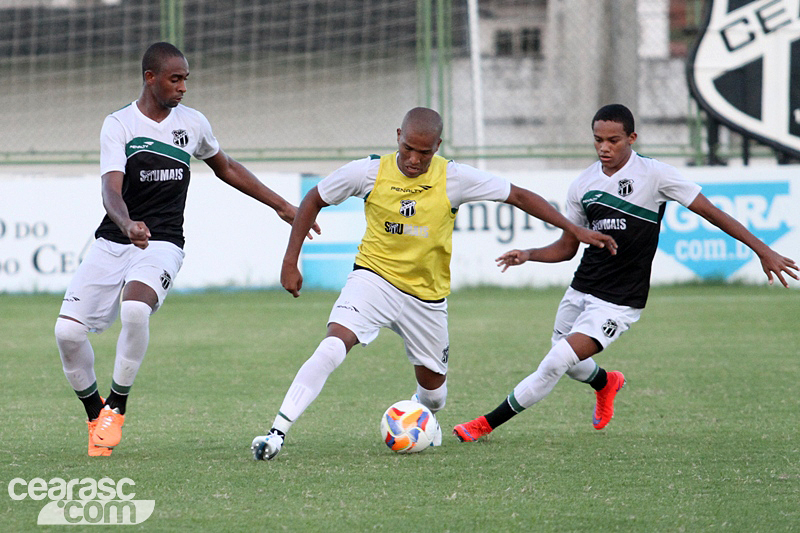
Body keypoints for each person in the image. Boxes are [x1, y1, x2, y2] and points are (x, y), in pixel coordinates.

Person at [251, 107, 618, 460]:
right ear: (398, 137)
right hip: (374, 279)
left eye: (424, 153)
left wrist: (573, 228)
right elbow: (314, 198)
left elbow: (518, 195)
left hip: (427, 300)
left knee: (435, 397)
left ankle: (419, 418)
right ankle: (276, 433)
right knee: (333, 346)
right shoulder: (368, 172)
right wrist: (289, 261)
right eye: (408, 148)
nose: (414, 159)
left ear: (438, 147)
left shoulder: (453, 177)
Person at [452, 104, 799, 442]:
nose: (604, 147)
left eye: (613, 140)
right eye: (598, 140)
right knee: (568, 362)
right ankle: (606, 382)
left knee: (556, 360)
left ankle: (485, 424)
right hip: (582, 286)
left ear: (632, 137)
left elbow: (711, 212)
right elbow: (567, 247)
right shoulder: (582, 185)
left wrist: (762, 250)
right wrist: (529, 254)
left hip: (620, 299)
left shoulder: (655, 175)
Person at [55, 42, 320, 457]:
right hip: (114, 238)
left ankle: (118, 406)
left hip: (163, 242)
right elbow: (109, 189)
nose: (182, 88)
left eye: (185, 80)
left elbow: (227, 167)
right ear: (150, 78)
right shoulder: (119, 124)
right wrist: (126, 224)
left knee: (136, 308)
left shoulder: (192, 124)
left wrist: (283, 205)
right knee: (67, 334)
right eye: (174, 79)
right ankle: (96, 415)